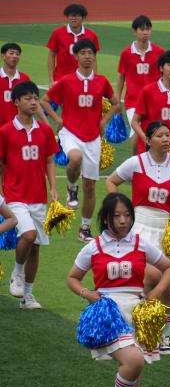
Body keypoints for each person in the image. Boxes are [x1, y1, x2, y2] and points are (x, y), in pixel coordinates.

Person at [65, 192, 170, 387]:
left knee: (135, 386)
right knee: (134, 361)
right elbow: (72, 278)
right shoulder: (93, 247)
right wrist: (88, 294)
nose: (123, 220)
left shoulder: (140, 243)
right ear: (106, 218)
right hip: (109, 316)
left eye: (127, 215)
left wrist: (155, 293)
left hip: (136, 314)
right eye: (117, 216)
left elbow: (169, 269)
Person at [106, 121, 170, 353]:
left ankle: (164, 336)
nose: (166, 139)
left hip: (167, 229)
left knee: (169, 286)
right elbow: (111, 181)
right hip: (140, 226)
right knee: (146, 278)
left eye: (168, 135)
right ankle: (138, 328)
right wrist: (120, 210)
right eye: (160, 135)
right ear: (148, 140)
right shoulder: (137, 162)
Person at [43, 38, 120, 242]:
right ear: (76, 56)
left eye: (90, 53)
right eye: (83, 53)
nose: (87, 56)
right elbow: (45, 101)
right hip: (70, 132)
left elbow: (115, 104)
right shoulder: (66, 81)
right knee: (75, 158)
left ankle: (84, 228)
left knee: (90, 187)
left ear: (94, 57)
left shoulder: (101, 81)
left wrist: (104, 121)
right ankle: (71, 186)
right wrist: (58, 119)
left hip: (92, 136)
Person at [0, 81, 59, 308]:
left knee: (35, 247)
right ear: (16, 102)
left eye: (35, 98)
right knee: (29, 234)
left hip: (38, 197)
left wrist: (53, 187)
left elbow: (49, 160)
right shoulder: (5, 131)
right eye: (28, 98)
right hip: (15, 196)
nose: (34, 102)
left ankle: (28, 296)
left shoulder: (45, 130)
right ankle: (16, 273)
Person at [115, 15, 164, 128]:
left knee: (153, 132)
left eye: (148, 29)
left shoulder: (159, 52)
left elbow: (164, 76)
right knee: (137, 130)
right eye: (142, 29)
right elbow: (121, 77)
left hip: (155, 100)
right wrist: (117, 99)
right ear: (135, 31)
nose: (145, 32)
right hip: (133, 101)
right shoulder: (126, 53)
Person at [47, 3, 100, 83]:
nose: (73, 18)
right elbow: (51, 55)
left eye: (77, 16)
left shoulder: (91, 35)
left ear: (83, 18)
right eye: (71, 16)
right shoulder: (58, 33)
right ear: (67, 17)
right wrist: (51, 79)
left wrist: (94, 78)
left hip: (83, 78)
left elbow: (93, 58)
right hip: (61, 78)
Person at [0, 42, 32, 125]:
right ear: (3, 56)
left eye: (17, 54)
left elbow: (32, 101)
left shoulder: (24, 78)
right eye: (11, 53)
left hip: (17, 126)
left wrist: (45, 122)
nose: (14, 56)